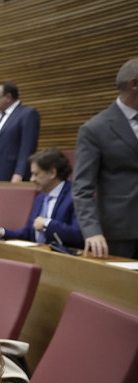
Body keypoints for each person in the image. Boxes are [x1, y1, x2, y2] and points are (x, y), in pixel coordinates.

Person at [72, 57, 138, 259]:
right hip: (121, 234)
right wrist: (92, 231)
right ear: (134, 84)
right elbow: (82, 188)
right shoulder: (94, 129)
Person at [0, 148, 83, 248]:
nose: (32, 179)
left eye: (36, 174)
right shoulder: (40, 198)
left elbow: (79, 234)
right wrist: (2, 232)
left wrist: (47, 224)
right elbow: (28, 233)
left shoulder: (76, 197)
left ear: (52, 173)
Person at [0, 82, 40, 182]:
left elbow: (27, 147)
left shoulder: (27, 114)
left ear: (8, 97)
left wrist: (19, 172)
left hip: (9, 172)